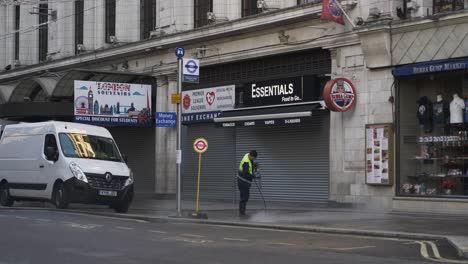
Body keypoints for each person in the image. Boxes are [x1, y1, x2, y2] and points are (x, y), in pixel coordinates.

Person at [237, 150, 257, 216]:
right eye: (254, 158)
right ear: (251, 156)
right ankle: (242, 212)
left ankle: (242, 210)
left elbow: (251, 165)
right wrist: (253, 176)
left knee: (245, 196)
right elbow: (246, 174)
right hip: (242, 181)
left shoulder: (248, 156)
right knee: (244, 197)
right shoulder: (246, 162)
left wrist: (255, 166)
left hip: (244, 181)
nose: (254, 159)